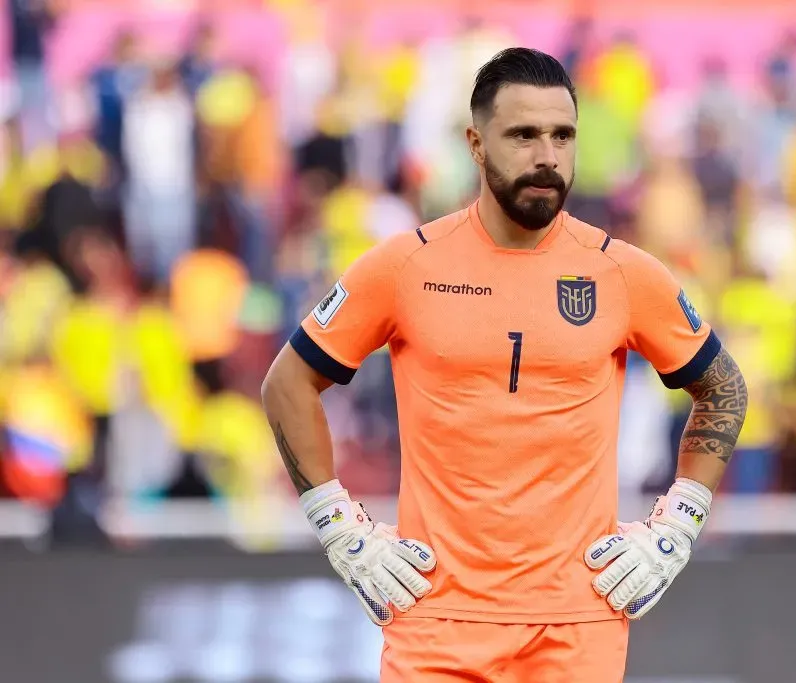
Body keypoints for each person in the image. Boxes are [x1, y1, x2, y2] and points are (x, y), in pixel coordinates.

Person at [261, 47, 748, 682]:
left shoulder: (623, 273)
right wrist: (341, 530)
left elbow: (723, 386)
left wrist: (677, 528)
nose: (547, 155)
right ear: (475, 144)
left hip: (578, 622)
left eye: (562, 135)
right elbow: (288, 382)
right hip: (436, 619)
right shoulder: (406, 266)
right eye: (523, 134)